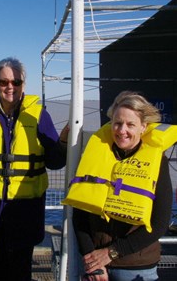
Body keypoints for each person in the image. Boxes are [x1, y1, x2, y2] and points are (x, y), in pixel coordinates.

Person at [0, 57, 68, 281]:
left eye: (16, 82)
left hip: (25, 213)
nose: (10, 87)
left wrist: (65, 142)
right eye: (4, 82)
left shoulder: (39, 116)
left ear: (23, 85)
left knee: (20, 271)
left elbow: (55, 161)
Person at [63, 91, 175, 281]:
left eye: (131, 124)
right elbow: (80, 215)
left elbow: (159, 224)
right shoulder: (95, 157)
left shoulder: (157, 163)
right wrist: (92, 261)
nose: (122, 130)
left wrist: (110, 253)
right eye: (117, 123)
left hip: (135, 268)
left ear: (143, 127)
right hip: (96, 268)